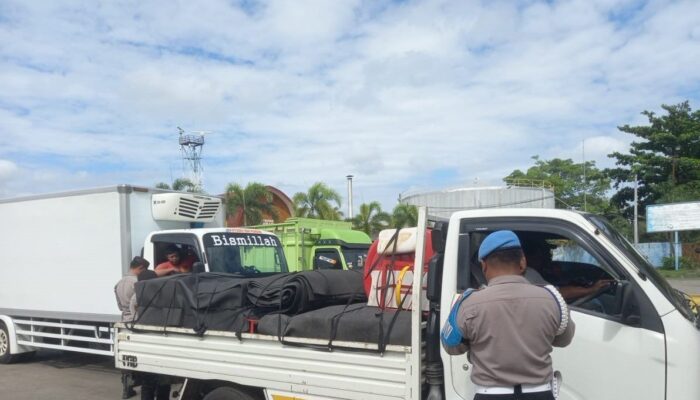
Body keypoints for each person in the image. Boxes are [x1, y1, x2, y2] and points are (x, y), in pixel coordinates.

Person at [441, 230, 575, 400]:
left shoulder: (469, 303)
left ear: (484, 266)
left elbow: (451, 346)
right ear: (523, 262)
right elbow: (564, 339)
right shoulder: (551, 298)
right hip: (540, 394)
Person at [521, 236, 612, 302]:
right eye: (544, 252)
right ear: (531, 257)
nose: (549, 256)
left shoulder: (542, 270)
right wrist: (591, 289)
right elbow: (560, 293)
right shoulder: (529, 274)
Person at [114, 256, 150, 399]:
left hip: (124, 321)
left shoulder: (119, 283)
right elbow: (138, 304)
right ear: (141, 268)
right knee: (140, 356)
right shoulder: (137, 283)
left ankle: (126, 389)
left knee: (126, 358)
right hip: (136, 321)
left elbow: (119, 306)